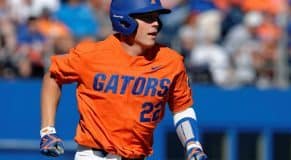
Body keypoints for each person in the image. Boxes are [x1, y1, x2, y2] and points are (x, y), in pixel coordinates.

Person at [39, 0, 208, 160]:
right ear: (124, 21)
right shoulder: (92, 55)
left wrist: (192, 144)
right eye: (147, 18)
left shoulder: (171, 61)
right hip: (95, 155)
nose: (156, 23)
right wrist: (47, 131)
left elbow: (182, 109)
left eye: (156, 17)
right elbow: (53, 76)